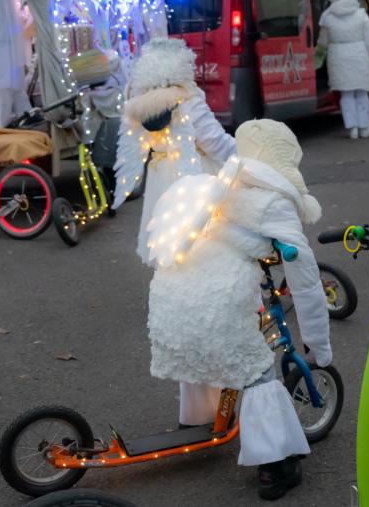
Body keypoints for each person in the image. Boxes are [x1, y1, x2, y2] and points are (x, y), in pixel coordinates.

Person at [144, 119, 331, 500]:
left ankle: (196, 420)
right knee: (256, 370)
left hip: (170, 295)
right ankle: (276, 464)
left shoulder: (217, 185)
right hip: (221, 299)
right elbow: (306, 280)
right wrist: (318, 342)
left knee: (202, 343)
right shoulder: (274, 202)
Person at [113, 37, 237, 264]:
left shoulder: (139, 104)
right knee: (202, 242)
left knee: (169, 244)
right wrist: (243, 154)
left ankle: (171, 282)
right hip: (193, 174)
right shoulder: (188, 101)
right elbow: (214, 142)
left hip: (160, 178)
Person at [317, 0, 369, 140]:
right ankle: (364, 128)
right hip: (359, 56)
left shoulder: (327, 16)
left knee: (346, 94)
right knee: (361, 93)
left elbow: (322, 42)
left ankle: (352, 129)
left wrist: (316, 58)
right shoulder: (361, 15)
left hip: (338, 57)